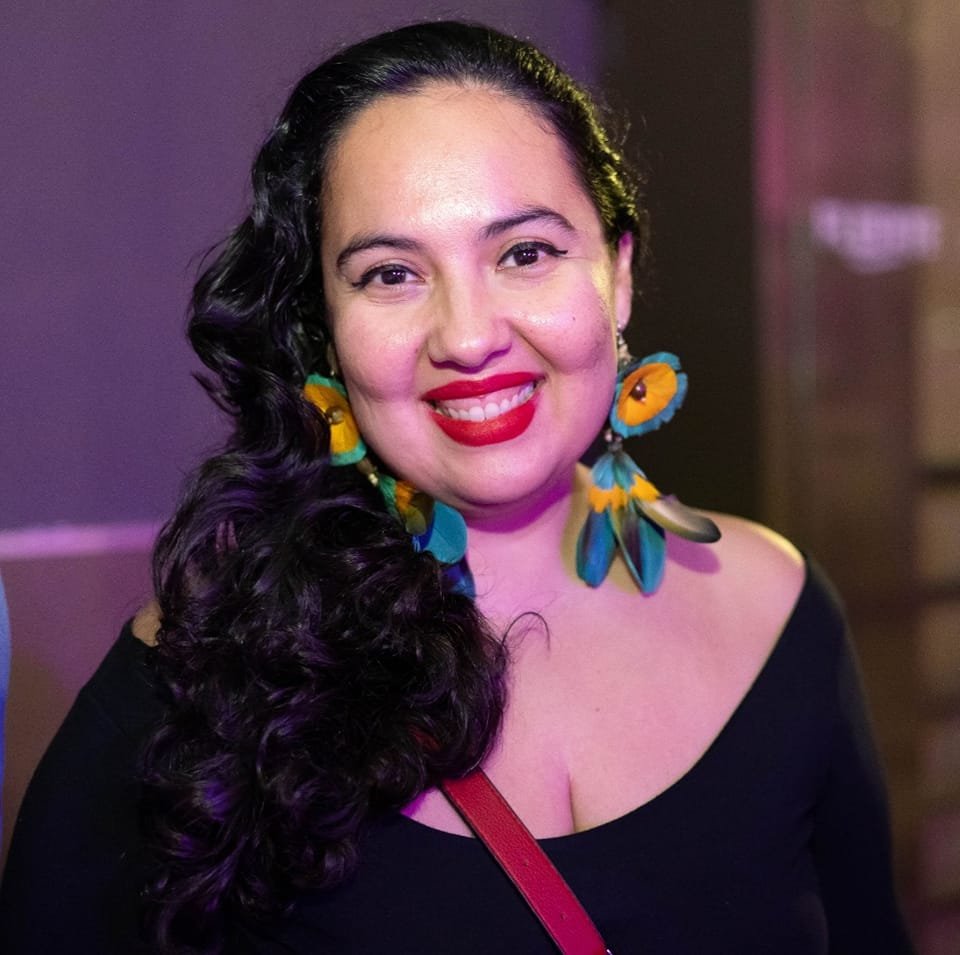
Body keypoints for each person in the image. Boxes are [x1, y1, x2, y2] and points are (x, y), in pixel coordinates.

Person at [0, 20, 913, 954]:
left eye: (526, 253)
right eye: (391, 274)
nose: (469, 337)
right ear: (325, 329)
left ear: (618, 274)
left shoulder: (779, 608)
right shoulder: (208, 667)